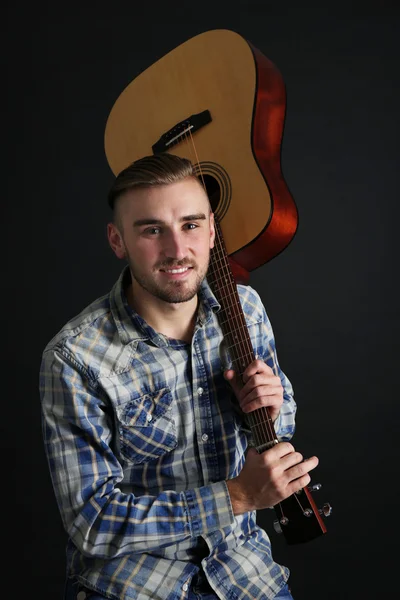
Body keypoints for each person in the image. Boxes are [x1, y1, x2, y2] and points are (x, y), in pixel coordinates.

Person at [39, 153, 319, 600]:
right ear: (117, 240)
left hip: (245, 573)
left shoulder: (244, 310)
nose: (176, 250)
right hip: (134, 587)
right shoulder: (75, 358)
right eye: (152, 230)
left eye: (190, 225)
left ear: (212, 230)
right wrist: (236, 497)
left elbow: (276, 435)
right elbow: (92, 523)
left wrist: (271, 409)